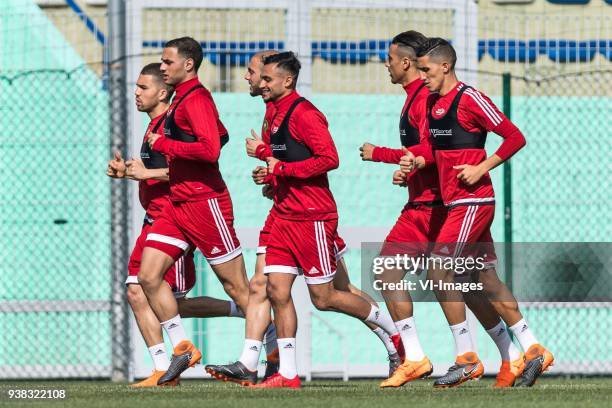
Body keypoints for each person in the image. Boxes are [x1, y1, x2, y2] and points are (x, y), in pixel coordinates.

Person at [205, 51, 403, 386]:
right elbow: (281, 160)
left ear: (288, 80)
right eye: (260, 77)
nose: (260, 83)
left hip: (312, 217)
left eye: (266, 78)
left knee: (326, 298)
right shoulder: (272, 111)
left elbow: (329, 158)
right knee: (274, 289)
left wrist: (277, 165)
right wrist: (271, 178)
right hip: (282, 216)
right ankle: (286, 372)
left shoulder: (305, 113)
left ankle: (395, 335)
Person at [362, 31, 528, 388]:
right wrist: (408, 168)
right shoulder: (421, 96)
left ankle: (493, 355)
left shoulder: (434, 97)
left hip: (440, 207)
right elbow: (430, 153)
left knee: (467, 281)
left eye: (390, 59)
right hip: (429, 204)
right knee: (404, 274)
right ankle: (503, 354)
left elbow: (432, 150)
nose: (386, 66)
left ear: (408, 63)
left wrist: (385, 155)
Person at [401, 37, 553, 387]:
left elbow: (514, 137)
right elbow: (442, 153)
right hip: (457, 203)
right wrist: (416, 163)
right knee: (483, 281)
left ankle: (466, 357)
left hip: (473, 202)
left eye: (425, 69)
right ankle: (532, 348)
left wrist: (483, 166)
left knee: (438, 270)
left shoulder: (469, 98)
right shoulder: (433, 104)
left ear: (445, 66)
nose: (421, 76)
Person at [106, 63, 244, 387]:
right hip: (153, 218)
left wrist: (145, 174)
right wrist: (127, 171)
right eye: (136, 87)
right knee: (137, 291)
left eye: (143, 87)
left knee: (166, 297)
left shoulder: (174, 122)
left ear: (163, 92)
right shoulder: (153, 125)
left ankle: (240, 312)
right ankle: (161, 369)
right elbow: (159, 168)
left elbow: (188, 169)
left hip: (174, 217)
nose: (136, 93)